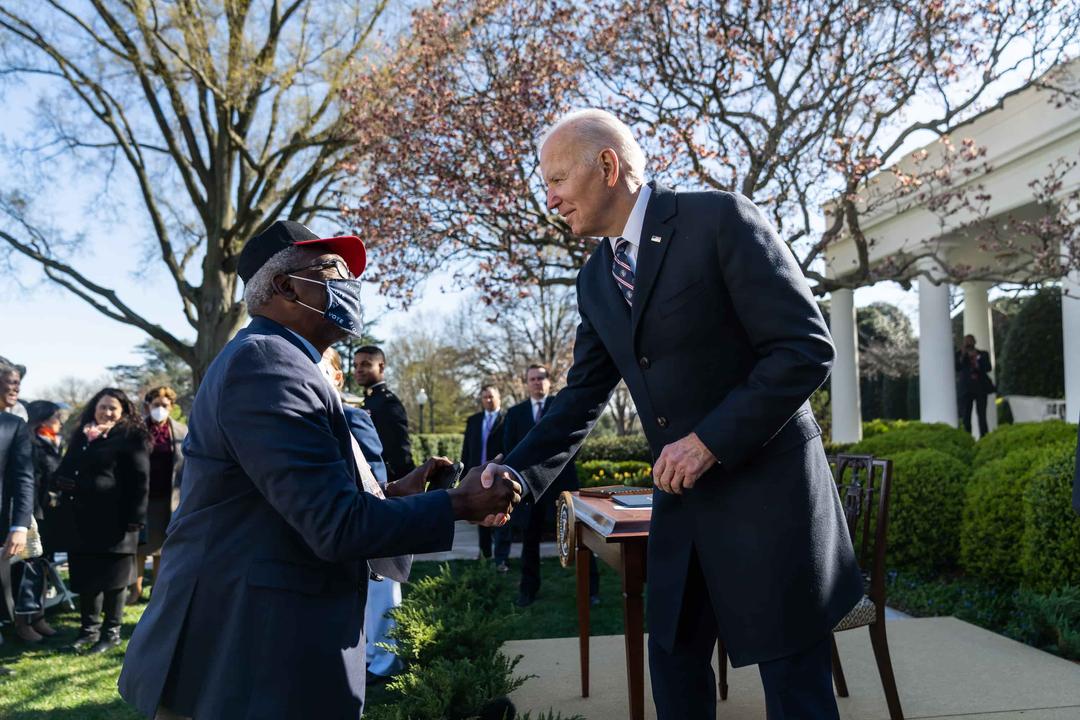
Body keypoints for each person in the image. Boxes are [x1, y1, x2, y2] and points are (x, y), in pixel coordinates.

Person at [483, 109, 862, 720]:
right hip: (683, 510)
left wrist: (708, 441)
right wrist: (515, 475)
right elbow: (580, 396)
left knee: (796, 693)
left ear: (607, 166)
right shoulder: (595, 280)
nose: (549, 198)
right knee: (674, 668)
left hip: (771, 502)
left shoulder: (719, 219)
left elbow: (805, 349)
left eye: (556, 180)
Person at [118, 220, 520, 720]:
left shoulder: (286, 362)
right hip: (246, 657)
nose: (350, 284)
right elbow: (334, 525)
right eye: (334, 269)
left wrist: (396, 495)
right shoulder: (266, 363)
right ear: (286, 286)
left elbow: (300, 503)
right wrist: (459, 503)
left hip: (265, 646)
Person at [319, 346, 402, 683]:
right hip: (336, 531)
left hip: (368, 522)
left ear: (336, 378)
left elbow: (375, 478)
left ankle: (384, 663)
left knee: (380, 601)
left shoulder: (354, 417)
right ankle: (368, 659)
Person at [54, 387, 150, 653]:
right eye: (102, 407)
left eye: (112, 408)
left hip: (118, 521)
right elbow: (66, 467)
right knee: (86, 576)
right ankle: (88, 631)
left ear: (123, 413)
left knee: (114, 579)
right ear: (93, 408)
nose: (106, 412)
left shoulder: (131, 437)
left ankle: (112, 633)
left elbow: (141, 480)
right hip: (83, 520)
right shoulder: (83, 436)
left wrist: (136, 519)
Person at [503, 364, 597, 607]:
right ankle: (528, 590)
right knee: (529, 539)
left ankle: (591, 590)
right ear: (527, 383)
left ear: (549, 381)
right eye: (532, 378)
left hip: (562, 481)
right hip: (529, 485)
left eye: (541, 378)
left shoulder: (561, 406)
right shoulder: (515, 414)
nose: (537, 382)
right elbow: (510, 450)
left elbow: (577, 438)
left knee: (579, 536)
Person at [10, 400, 66, 642]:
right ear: (42, 419)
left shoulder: (54, 442)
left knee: (44, 567)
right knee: (27, 570)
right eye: (55, 417)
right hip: (33, 514)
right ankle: (22, 622)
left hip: (52, 514)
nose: (60, 422)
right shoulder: (29, 442)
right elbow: (28, 480)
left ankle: (39, 616)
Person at [128, 386, 187, 605]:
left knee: (162, 548)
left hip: (169, 497)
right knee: (139, 547)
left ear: (172, 407)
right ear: (147, 406)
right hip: (142, 498)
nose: (160, 409)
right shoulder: (136, 430)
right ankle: (136, 589)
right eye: (155, 405)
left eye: (164, 405)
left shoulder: (182, 432)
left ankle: (157, 590)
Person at [0, 371, 34, 675]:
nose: (16, 389)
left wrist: (19, 525)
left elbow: (24, 479)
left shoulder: (14, 426)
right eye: (9, 383)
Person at [354, 346, 416, 481]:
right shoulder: (369, 400)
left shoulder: (388, 403)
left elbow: (399, 452)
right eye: (356, 365)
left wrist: (406, 482)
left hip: (386, 481)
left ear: (381, 367)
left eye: (365, 364)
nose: (358, 369)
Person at [461, 385, 506, 562]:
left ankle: (501, 559)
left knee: (501, 517)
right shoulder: (474, 420)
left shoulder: (507, 419)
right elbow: (467, 449)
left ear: (499, 398)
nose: (488, 400)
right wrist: (464, 475)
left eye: (491, 396)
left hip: (500, 475)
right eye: (485, 397)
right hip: (478, 476)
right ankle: (485, 554)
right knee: (482, 516)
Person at [955, 334, 995, 437]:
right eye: (966, 341)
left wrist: (977, 363)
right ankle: (967, 439)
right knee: (966, 418)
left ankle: (984, 438)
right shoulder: (959, 354)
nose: (968, 343)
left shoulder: (983, 354)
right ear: (963, 343)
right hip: (966, 390)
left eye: (970, 341)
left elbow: (988, 368)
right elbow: (957, 368)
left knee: (982, 416)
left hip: (980, 389)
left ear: (975, 342)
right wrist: (963, 355)